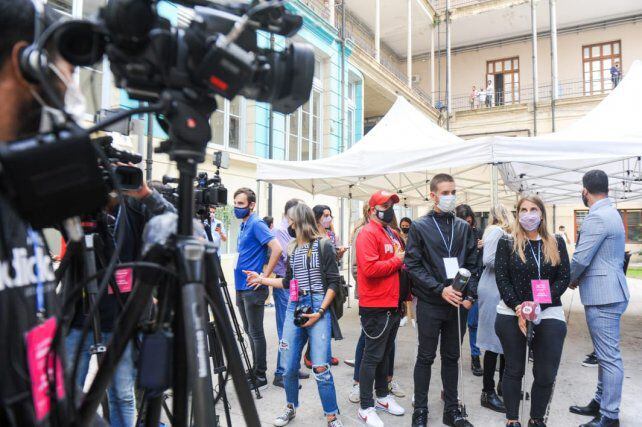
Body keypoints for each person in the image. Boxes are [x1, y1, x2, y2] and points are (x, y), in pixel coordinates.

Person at [0, 2, 77, 423]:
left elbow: (45, 380)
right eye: (60, 81)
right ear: (23, 63)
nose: (63, 102)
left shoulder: (19, 199)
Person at [66, 179, 175, 427]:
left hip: (122, 319)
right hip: (78, 319)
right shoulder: (79, 207)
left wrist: (145, 193)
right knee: (65, 393)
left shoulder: (134, 207)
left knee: (122, 396)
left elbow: (176, 222)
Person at [244, 203, 344, 427]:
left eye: (290, 220)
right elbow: (288, 283)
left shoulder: (324, 245)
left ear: (300, 221)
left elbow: (334, 283)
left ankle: (331, 415)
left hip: (319, 304)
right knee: (289, 366)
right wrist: (261, 279)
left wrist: (320, 311)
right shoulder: (291, 247)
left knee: (320, 367)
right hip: (295, 306)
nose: (287, 224)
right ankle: (290, 406)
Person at [406, 173, 477, 427]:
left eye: (453, 192)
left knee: (452, 357)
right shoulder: (419, 226)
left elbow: (472, 263)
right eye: (445, 193)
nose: (450, 197)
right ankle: (421, 410)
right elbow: (412, 265)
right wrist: (439, 289)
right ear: (433, 195)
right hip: (431, 302)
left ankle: (452, 409)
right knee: (425, 356)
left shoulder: (463, 227)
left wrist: (470, 296)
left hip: (458, 304)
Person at [494, 195, 570, 427]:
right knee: (514, 368)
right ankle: (512, 419)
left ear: (542, 213)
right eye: (523, 209)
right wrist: (519, 307)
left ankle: (536, 419)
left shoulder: (556, 242)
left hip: (548, 311)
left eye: (533, 209)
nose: (529, 214)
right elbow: (502, 278)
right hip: (511, 311)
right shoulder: (507, 242)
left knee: (546, 373)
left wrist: (538, 305)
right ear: (517, 214)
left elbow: (564, 277)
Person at [568, 170, 630, 427]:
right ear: (607, 189)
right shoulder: (612, 212)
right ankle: (601, 402)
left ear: (585, 191)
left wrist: (567, 280)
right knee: (605, 355)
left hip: (603, 295)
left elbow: (581, 257)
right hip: (610, 291)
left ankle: (609, 415)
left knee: (609, 357)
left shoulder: (596, 217)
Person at [355, 190, 406, 427]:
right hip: (376, 305)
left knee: (385, 354)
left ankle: (383, 396)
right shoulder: (367, 233)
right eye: (384, 205)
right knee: (372, 356)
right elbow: (370, 269)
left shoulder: (391, 232)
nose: (389, 208)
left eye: (391, 204)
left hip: (393, 302)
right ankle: (366, 406)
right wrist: (398, 260)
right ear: (371, 210)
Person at [233, 187, 282, 390]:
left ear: (251, 205)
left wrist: (263, 277)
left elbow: (277, 248)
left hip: (253, 288)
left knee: (255, 332)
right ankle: (254, 369)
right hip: (241, 286)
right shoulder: (244, 225)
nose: (237, 207)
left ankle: (260, 375)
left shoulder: (256, 223)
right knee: (249, 331)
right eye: (235, 203)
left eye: (241, 204)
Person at [476, 204, 512, 413]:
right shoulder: (496, 231)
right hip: (492, 289)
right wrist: (513, 262)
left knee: (505, 340)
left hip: (499, 289)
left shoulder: (501, 232)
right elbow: (488, 259)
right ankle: (487, 392)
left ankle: (503, 385)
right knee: (492, 341)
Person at [272, 199, 310, 388]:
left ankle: (291, 368)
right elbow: (290, 254)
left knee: (296, 329)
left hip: (294, 284)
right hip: (285, 284)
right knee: (286, 331)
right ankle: (281, 372)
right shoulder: (281, 231)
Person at [455, 204, 484, 377]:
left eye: (470, 223)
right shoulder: (453, 235)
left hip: (474, 284)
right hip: (457, 284)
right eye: (464, 223)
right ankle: (453, 357)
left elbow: (482, 262)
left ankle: (475, 357)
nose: (468, 226)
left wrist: (482, 247)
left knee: (473, 323)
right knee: (456, 327)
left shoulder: (479, 234)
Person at [399, 217, 415, 328]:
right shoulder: (398, 236)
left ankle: (412, 316)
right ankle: (404, 315)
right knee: (403, 293)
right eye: (403, 226)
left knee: (411, 295)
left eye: (406, 226)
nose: (404, 228)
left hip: (411, 267)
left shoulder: (413, 236)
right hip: (401, 268)